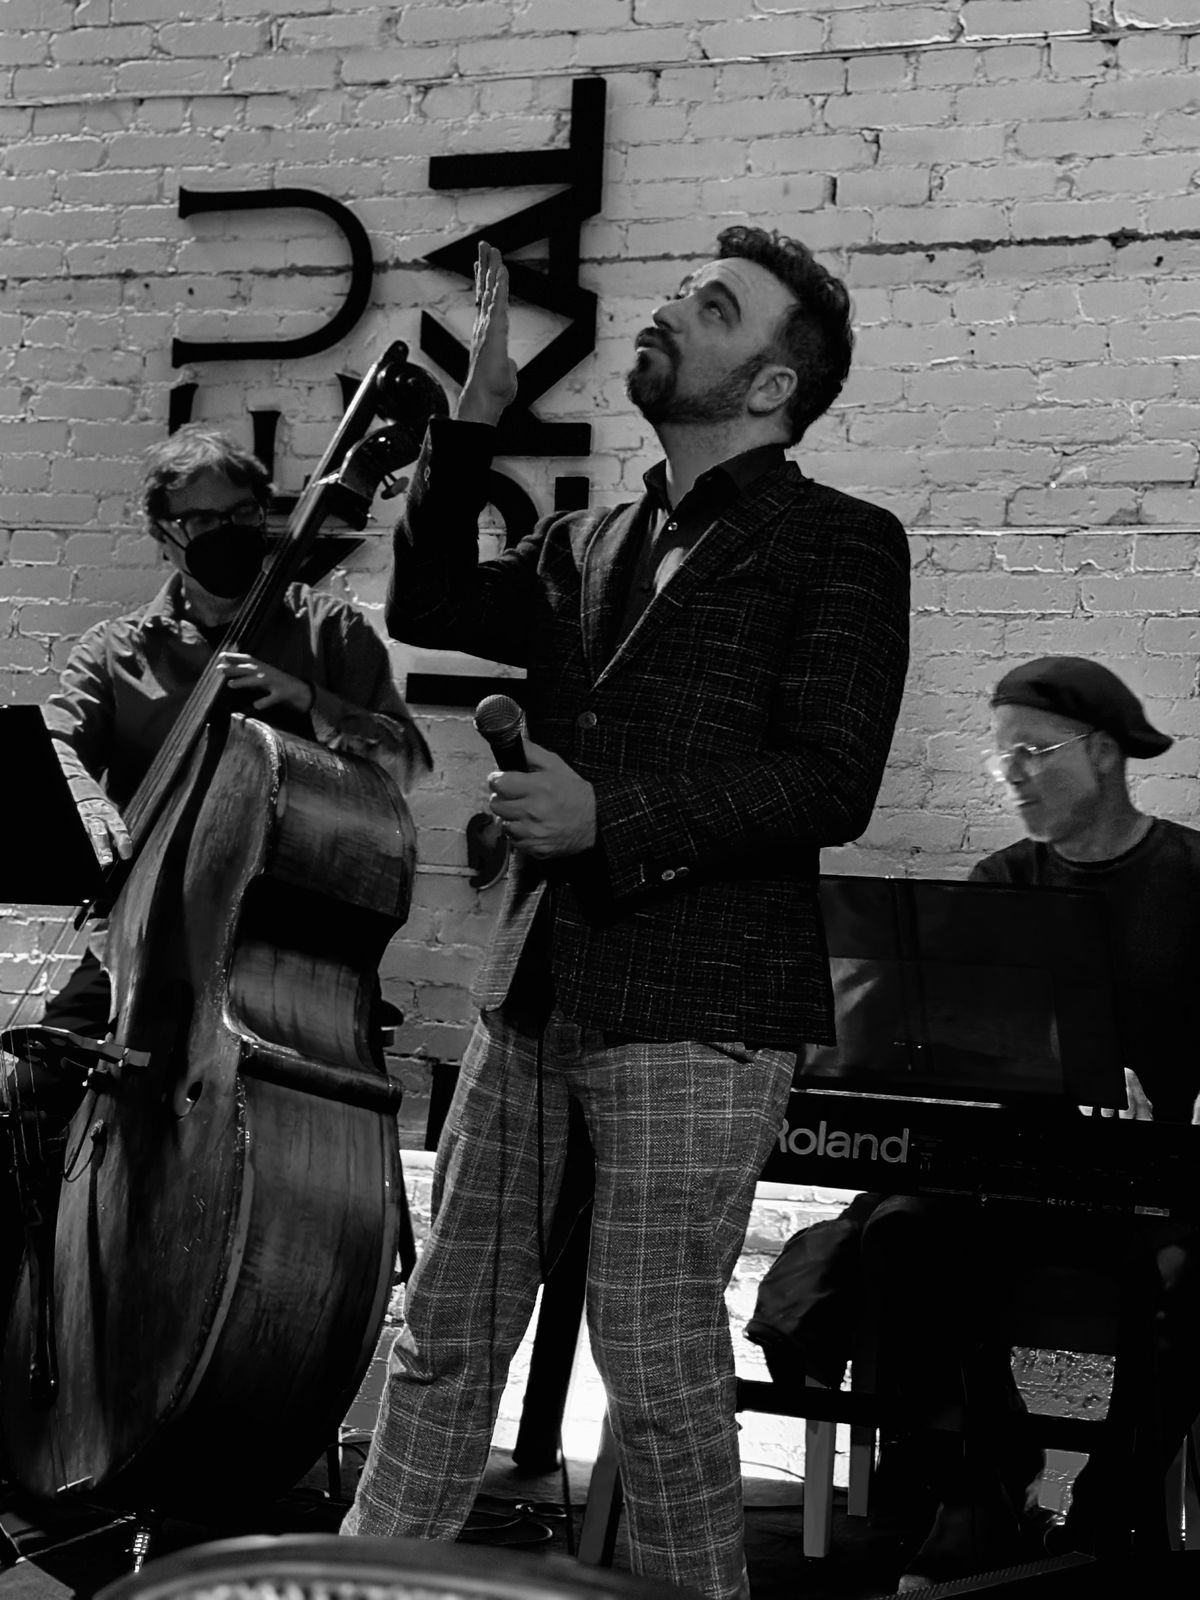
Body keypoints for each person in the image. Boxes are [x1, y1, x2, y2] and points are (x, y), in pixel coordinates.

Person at [340, 230, 911, 1599]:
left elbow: (829, 779)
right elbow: (429, 597)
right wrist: (473, 425)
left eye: (711, 307)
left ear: (770, 386)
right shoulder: (589, 539)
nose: (668, 311)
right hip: (537, 990)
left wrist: (612, 819)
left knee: (654, 1368)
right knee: (442, 1338)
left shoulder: (840, 543)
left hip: (702, 1005)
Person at [749, 656, 1200, 1590]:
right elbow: (958, 1046)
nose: (1013, 776)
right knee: (902, 1231)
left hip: (1159, 1183)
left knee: (1195, 1278)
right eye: (1003, 759)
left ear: (1105, 752)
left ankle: (1110, 1507)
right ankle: (976, 1491)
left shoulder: (1193, 877)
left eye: (1033, 752)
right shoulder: (1005, 879)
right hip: (1020, 1174)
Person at [1, 425, 430, 1342]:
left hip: (283, 952)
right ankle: (40, 1338)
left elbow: (404, 759)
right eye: (203, 519)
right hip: (146, 946)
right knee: (26, 1089)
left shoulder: (329, 631)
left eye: (243, 512)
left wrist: (309, 700)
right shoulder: (117, 650)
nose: (229, 531)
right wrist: (91, 804)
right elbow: (55, 743)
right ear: (165, 534)